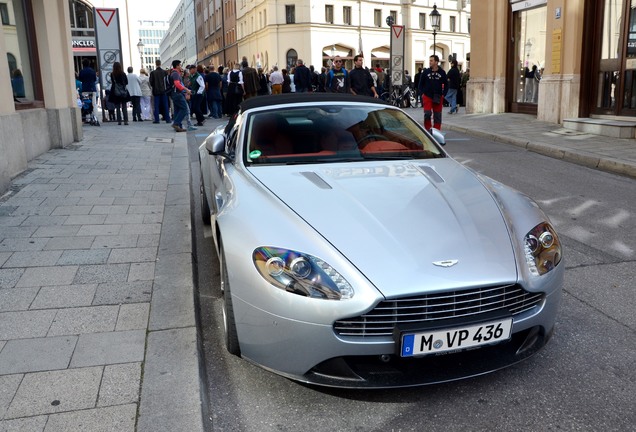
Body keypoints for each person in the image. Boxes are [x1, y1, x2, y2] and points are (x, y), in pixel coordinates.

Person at [418, 55, 447, 131]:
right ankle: (428, 129)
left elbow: (446, 84)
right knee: (427, 114)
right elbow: (420, 84)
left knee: (437, 115)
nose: (430, 62)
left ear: (436, 62)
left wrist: (443, 94)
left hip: (438, 96)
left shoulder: (442, 72)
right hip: (427, 96)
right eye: (430, 60)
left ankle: (436, 130)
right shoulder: (426, 72)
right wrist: (422, 94)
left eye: (431, 60)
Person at [169, 60, 192, 132]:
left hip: (174, 94)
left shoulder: (173, 73)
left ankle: (178, 126)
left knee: (177, 110)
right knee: (184, 109)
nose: (181, 67)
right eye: (180, 65)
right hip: (177, 94)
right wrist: (186, 90)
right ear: (177, 66)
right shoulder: (175, 74)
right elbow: (177, 84)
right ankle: (176, 123)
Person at [149, 60, 171, 124]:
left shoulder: (153, 73)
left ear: (155, 64)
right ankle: (167, 119)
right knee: (165, 105)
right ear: (160, 64)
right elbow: (167, 82)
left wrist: (155, 86)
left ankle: (157, 119)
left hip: (156, 91)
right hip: (164, 91)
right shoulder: (164, 72)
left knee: (156, 105)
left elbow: (151, 82)